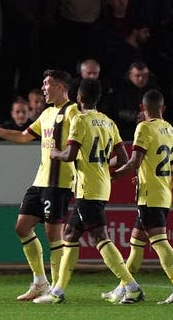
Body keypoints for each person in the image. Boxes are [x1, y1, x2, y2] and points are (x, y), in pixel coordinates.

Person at [0, 70, 79, 301]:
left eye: (47, 83)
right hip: (40, 181)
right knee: (22, 227)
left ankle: (57, 290)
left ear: (60, 87)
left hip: (58, 183)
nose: (43, 87)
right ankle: (40, 282)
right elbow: (22, 136)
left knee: (53, 236)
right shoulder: (47, 114)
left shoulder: (73, 112)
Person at [33, 78, 145, 304]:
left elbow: (70, 155)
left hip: (87, 189)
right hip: (101, 186)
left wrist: (55, 153)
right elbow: (122, 159)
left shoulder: (80, 121)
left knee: (100, 238)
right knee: (69, 235)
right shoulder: (108, 122)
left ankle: (132, 287)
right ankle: (57, 292)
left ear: (79, 98)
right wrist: (109, 173)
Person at [102, 89, 173, 304]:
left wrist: (112, 175)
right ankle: (121, 289)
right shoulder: (170, 129)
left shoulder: (143, 127)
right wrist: (152, 176)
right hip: (161, 192)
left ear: (142, 108)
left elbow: (134, 162)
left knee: (160, 242)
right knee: (136, 244)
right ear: (163, 108)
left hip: (150, 196)